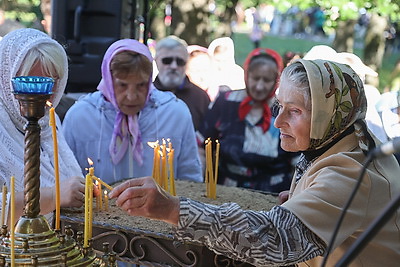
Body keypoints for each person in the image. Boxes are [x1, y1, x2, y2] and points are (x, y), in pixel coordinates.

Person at [109, 59, 400, 266]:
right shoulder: (340, 142)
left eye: (295, 111)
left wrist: (172, 209)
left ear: (330, 115)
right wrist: (305, 199)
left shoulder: (352, 171)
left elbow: (272, 239)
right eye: (279, 106)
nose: (278, 121)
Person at [62, 39, 202, 186]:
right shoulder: (80, 117)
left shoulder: (175, 114)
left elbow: (190, 179)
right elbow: (66, 179)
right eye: (122, 85)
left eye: (141, 85)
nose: (131, 96)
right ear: (108, 80)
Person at [0, 28, 87, 222]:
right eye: (27, 82)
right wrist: (54, 195)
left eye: (49, 83)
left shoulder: (48, 120)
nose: (39, 95)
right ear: (5, 78)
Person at [198, 48, 297, 193]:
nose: (259, 86)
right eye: (255, 78)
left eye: (267, 80)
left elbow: (297, 162)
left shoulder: (285, 110)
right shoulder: (226, 102)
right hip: (225, 191)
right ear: (246, 75)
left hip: (272, 193)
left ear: (277, 80)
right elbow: (201, 145)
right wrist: (200, 180)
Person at [153, 35, 210, 131]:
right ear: (156, 61)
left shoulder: (200, 98)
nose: (174, 66)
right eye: (167, 61)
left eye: (180, 61)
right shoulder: (146, 95)